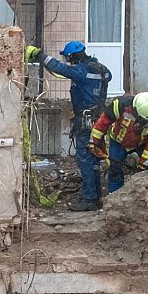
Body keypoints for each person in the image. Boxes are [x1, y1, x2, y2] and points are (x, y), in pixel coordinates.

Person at [39, 41, 114, 210]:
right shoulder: (102, 69)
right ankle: (95, 196)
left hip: (86, 120)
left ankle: (89, 199)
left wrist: (40, 56)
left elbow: (61, 69)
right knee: (94, 158)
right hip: (100, 119)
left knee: (85, 159)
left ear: (72, 56)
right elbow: (108, 78)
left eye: (68, 57)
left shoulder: (82, 70)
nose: (67, 60)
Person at [75, 91, 148, 211]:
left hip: (141, 144)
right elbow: (102, 123)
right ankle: (115, 201)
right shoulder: (120, 105)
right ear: (136, 111)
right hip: (118, 141)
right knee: (115, 169)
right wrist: (94, 142)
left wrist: (143, 164)